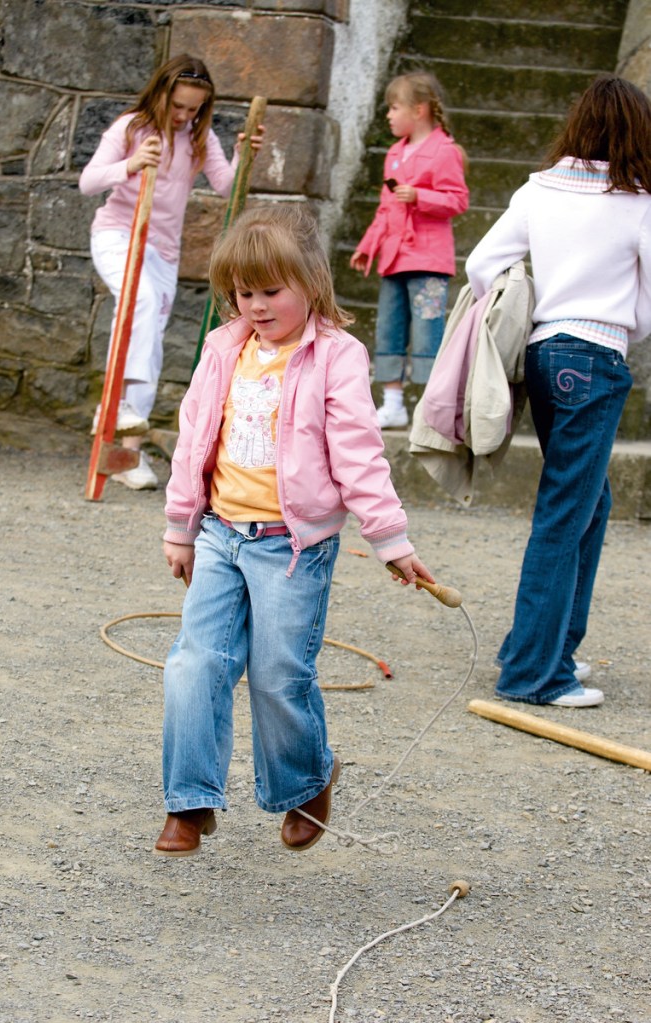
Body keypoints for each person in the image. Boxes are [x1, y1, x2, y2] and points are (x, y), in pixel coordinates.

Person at [154, 204, 434, 857]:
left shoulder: (337, 356)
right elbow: (194, 436)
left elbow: (360, 454)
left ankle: (306, 780)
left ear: (310, 281)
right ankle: (189, 801)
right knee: (195, 662)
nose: (254, 305)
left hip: (291, 545)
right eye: (242, 292)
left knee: (279, 669)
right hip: (222, 534)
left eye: (269, 290)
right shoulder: (224, 348)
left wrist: (389, 538)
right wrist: (179, 524)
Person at [465, 73, 651, 708]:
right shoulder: (638, 201)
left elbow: (481, 266)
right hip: (596, 356)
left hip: (545, 353)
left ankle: (544, 650)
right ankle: (533, 674)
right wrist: (622, 325)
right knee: (566, 512)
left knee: (587, 504)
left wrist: (540, 303)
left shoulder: (538, 189)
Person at [78, 53, 264, 489]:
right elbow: (89, 181)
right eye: (178, 105)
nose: (184, 115)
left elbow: (226, 186)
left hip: (163, 250)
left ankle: (128, 450)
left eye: (194, 109)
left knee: (152, 337)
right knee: (136, 302)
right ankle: (116, 407)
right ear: (162, 93)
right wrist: (131, 162)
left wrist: (242, 156)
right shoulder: (131, 127)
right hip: (119, 233)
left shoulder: (199, 139)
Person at [350, 70, 469, 429]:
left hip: (429, 262)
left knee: (428, 329)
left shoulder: (444, 150)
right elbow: (385, 208)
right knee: (389, 327)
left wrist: (421, 196)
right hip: (394, 258)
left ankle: (432, 407)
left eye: (394, 107)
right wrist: (368, 247)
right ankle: (393, 402)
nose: (388, 115)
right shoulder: (394, 154)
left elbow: (458, 200)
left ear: (418, 110)